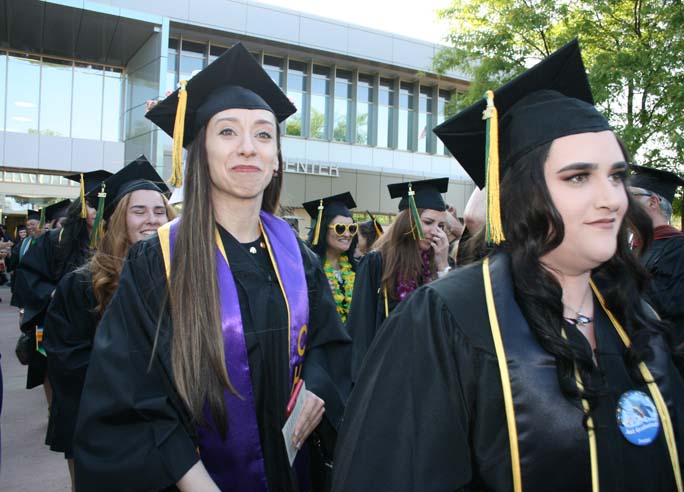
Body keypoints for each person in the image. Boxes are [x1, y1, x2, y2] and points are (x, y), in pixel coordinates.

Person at [332, 39, 684, 491]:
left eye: (616, 176)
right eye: (578, 176)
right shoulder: (448, 319)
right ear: (521, 196)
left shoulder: (634, 317)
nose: (611, 198)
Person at [74, 42, 350, 492]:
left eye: (264, 134)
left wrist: (317, 388)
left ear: (277, 159)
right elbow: (133, 395)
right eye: (227, 132)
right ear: (199, 150)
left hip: (294, 472)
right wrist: (195, 481)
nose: (248, 147)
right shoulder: (158, 261)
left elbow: (330, 346)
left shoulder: (299, 258)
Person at [44, 159, 175, 491]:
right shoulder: (84, 284)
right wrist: (138, 382)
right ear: (117, 220)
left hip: (170, 426)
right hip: (110, 425)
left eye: (159, 212)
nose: (151, 220)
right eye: (139, 211)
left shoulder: (181, 277)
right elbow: (67, 360)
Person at [14, 171, 108, 400]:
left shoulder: (115, 238)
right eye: (93, 204)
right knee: (62, 386)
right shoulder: (56, 240)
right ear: (82, 207)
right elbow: (28, 274)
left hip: (100, 328)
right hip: (61, 326)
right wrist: (54, 292)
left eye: (103, 204)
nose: (98, 211)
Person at [346, 177, 450, 381]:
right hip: (385, 373)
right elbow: (361, 330)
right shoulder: (377, 262)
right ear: (408, 220)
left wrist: (443, 266)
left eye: (441, 225)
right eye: (428, 222)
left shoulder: (436, 263)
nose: (435, 232)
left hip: (426, 375)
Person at [630, 165, 684, 410]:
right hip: (636, 362)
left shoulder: (681, 250)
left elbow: (668, 304)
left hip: (667, 365)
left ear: (653, 202)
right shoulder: (635, 248)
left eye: (630, 196)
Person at [303, 192, 359, 324]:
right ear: (323, 229)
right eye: (340, 228)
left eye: (351, 228)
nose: (347, 234)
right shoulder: (308, 268)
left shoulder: (358, 269)